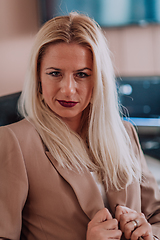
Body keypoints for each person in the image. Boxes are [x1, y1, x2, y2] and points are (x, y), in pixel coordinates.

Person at [0, 12, 160, 240]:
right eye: (55, 73)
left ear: (99, 80)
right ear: (38, 77)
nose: (68, 89)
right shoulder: (13, 142)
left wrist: (149, 234)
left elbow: (156, 216)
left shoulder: (125, 133)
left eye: (82, 75)